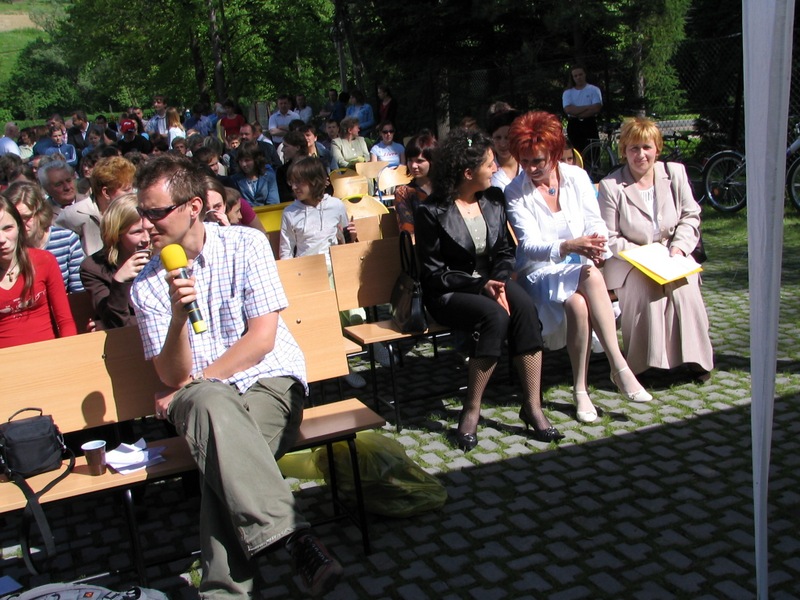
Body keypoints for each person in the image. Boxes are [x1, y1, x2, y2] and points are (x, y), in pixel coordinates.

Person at [129, 155, 342, 598]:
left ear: (192, 207)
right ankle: (293, 537)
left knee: (223, 460)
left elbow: (262, 340)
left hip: (267, 382)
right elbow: (171, 374)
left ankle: (225, 592)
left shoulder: (246, 244)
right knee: (212, 410)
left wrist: (200, 379)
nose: (145, 225)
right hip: (201, 401)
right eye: (141, 213)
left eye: (155, 212)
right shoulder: (146, 285)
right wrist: (177, 317)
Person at [414, 129, 562, 450]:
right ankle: (471, 410)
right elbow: (434, 274)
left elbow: (506, 251)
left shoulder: (494, 199)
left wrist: (498, 280)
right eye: (489, 164)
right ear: (468, 173)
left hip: (492, 281)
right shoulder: (431, 211)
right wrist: (482, 285)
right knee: (494, 317)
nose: (496, 169)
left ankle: (532, 406)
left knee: (524, 308)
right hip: (449, 291)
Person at [505, 112, 652, 423]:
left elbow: (595, 222)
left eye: (538, 160)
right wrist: (568, 246)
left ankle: (580, 390)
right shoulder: (515, 190)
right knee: (589, 276)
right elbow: (528, 246)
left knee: (578, 303)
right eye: (524, 161)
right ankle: (619, 366)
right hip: (539, 273)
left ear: (555, 152)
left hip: (580, 271)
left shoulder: (576, 177)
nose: (531, 168)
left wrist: (597, 247)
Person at [598, 117, 714, 380]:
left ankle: (695, 359)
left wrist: (678, 248)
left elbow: (690, 215)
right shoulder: (611, 186)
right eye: (634, 148)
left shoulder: (674, 174)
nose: (641, 154)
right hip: (629, 261)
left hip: (672, 255)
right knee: (646, 289)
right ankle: (645, 363)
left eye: (646, 147)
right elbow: (610, 236)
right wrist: (643, 256)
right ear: (624, 151)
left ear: (657, 149)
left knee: (685, 288)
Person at [0, 195, 76, 349]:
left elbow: (65, 321)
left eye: (8, 228)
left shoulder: (44, 261)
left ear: (19, 227)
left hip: (48, 352)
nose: (2, 239)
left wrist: (69, 352)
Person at [80, 193, 149, 329]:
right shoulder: (94, 268)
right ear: (116, 234)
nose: (146, 239)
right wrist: (120, 281)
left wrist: (104, 325)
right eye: (137, 232)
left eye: (149, 229)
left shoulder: (162, 256)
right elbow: (116, 323)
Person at [6, 181, 85, 293]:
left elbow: (78, 291)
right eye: (15, 219)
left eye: (26, 217)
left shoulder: (67, 240)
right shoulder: (7, 247)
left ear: (40, 213)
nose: (21, 224)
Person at [393, 130, 436, 235]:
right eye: (410, 160)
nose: (413, 166)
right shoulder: (403, 193)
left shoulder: (447, 187)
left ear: (432, 161)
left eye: (419, 161)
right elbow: (408, 231)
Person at [562, 65, 603, 153]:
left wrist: (578, 112)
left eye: (580, 74)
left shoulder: (594, 90)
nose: (578, 77)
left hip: (589, 123)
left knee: (593, 151)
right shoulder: (568, 92)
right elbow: (568, 109)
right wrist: (588, 106)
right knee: (576, 151)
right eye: (575, 76)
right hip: (574, 124)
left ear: (585, 74)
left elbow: (596, 108)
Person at [232, 140, 280, 206]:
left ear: (256, 160)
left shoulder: (269, 176)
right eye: (241, 161)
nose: (243, 164)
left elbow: (274, 202)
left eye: (247, 160)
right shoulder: (235, 180)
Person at [488, 109, 521, 191]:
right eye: (498, 138)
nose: (502, 144)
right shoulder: (487, 170)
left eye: (507, 138)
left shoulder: (528, 166)